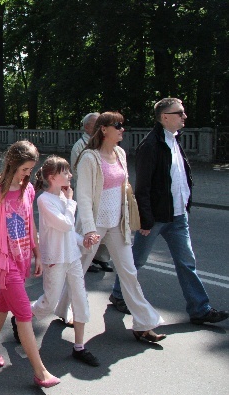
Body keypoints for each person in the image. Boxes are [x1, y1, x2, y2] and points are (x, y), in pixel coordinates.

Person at [111, 98, 228, 325]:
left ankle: (200, 308)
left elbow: (179, 178)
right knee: (137, 260)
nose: (184, 117)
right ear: (165, 117)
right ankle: (118, 294)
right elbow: (142, 187)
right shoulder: (151, 145)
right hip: (156, 217)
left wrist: (185, 204)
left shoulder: (174, 140)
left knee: (186, 262)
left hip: (178, 216)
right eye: (180, 113)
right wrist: (145, 219)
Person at [56, 112, 166, 343]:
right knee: (77, 270)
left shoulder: (120, 153)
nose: (122, 130)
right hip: (93, 226)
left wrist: (131, 217)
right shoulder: (89, 158)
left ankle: (144, 323)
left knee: (129, 272)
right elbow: (84, 197)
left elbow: (124, 189)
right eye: (118, 126)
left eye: (122, 126)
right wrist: (88, 229)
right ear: (104, 129)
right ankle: (59, 307)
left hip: (117, 224)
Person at [0, 141, 59, 388]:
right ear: (12, 164)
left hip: (21, 255)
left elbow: (29, 221)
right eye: (25, 169)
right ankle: (40, 371)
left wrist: (37, 252)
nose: (28, 174)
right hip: (3, 260)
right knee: (23, 312)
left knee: (3, 304)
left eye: (31, 169)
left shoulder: (28, 189)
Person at [31, 156, 99, 367]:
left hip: (72, 258)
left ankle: (79, 347)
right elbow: (65, 225)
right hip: (55, 259)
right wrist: (70, 203)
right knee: (50, 302)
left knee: (80, 298)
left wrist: (83, 241)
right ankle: (22, 315)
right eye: (66, 172)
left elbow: (70, 234)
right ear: (52, 177)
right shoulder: (44, 200)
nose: (70, 176)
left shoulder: (62, 197)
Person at [71, 112, 111, 273]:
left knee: (105, 227)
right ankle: (82, 259)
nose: (99, 127)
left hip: (105, 193)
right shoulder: (80, 146)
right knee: (87, 225)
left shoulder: (105, 143)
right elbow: (77, 171)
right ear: (86, 127)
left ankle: (101, 258)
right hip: (88, 192)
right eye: (95, 124)